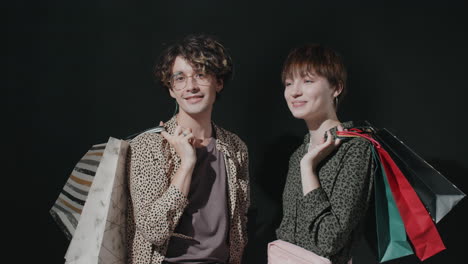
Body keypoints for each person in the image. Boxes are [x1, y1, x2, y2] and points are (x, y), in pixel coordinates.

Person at [126, 34, 249, 264]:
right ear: (171, 89)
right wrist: (187, 164)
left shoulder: (236, 148)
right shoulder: (149, 145)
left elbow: (239, 226)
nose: (191, 86)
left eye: (200, 75)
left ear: (219, 82)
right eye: (180, 78)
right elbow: (153, 230)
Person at [275, 44, 375, 264]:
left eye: (308, 81)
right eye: (289, 83)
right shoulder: (298, 153)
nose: (294, 91)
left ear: (336, 88)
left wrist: (308, 168)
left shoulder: (355, 148)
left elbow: (329, 240)